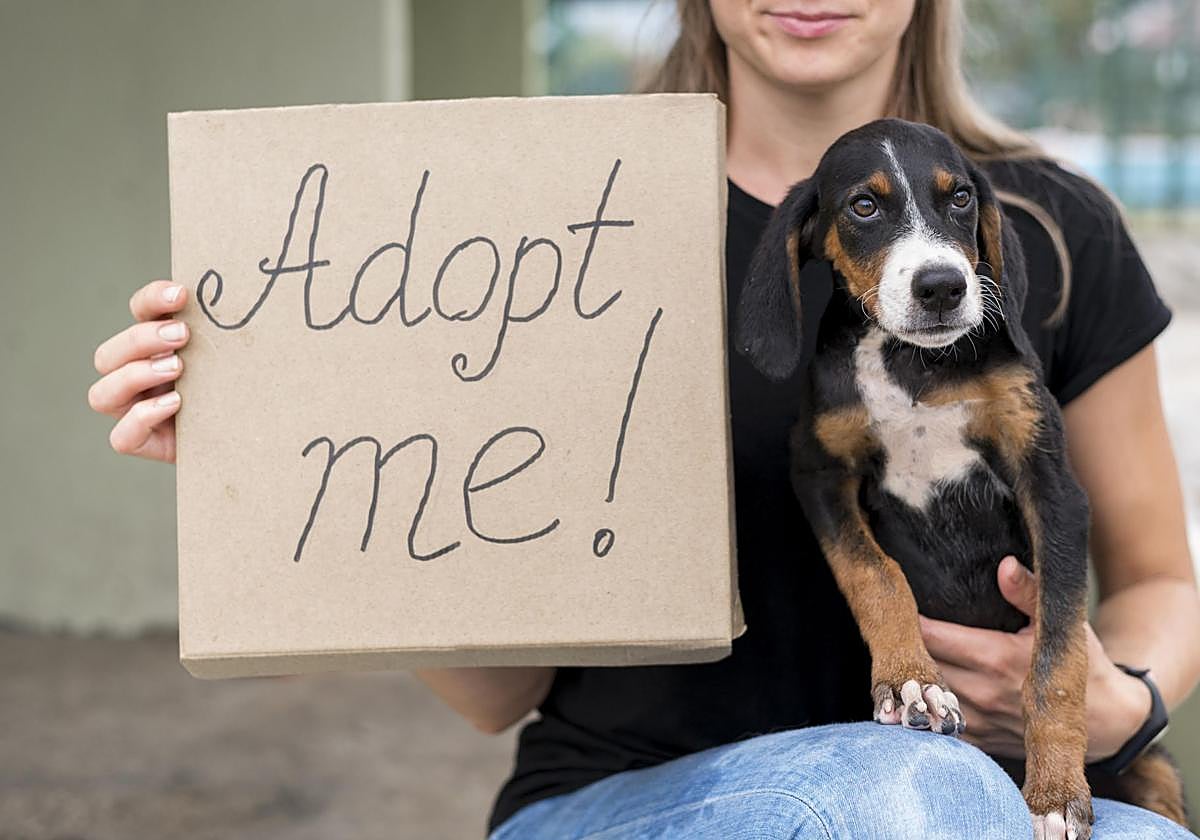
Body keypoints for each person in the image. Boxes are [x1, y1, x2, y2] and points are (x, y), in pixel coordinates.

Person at [87, 1, 1200, 837]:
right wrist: (280, 454)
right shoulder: (558, 229)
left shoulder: (1048, 232)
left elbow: (1159, 579)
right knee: (905, 790)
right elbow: (496, 696)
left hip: (1001, 791)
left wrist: (1117, 701)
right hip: (636, 796)